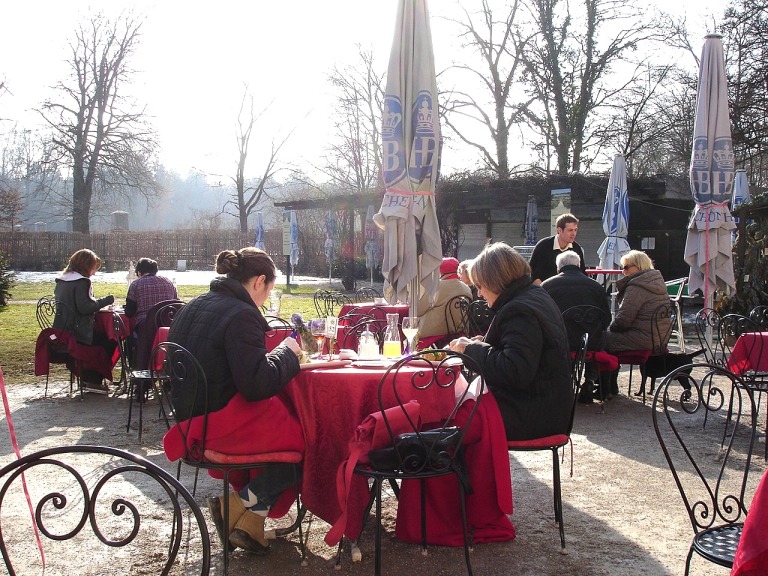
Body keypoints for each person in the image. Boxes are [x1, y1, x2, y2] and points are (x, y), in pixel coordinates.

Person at [162, 247, 305, 555]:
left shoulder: (195, 303)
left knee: (289, 430)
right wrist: (287, 353)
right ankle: (239, 505)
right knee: (310, 443)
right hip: (220, 423)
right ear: (260, 282)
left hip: (188, 416)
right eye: (269, 289)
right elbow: (256, 386)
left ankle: (251, 523)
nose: (267, 297)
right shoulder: (242, 315)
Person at [448, 243, 573, 441]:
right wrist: (484, 344)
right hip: (548, 406)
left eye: (480, 286)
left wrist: (470, 349)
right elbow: (526, 352)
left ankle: (473, 472)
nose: (479, 293)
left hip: (532, 414)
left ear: (495, 281)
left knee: (452, 418)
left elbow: (515, 370)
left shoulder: (518, 310)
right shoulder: (533, 294)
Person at [542, 251, 611, 403]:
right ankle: (590, 380)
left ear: (558, 268)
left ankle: (562, 384)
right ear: (579, 266)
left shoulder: (546, 286)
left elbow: (541, 319)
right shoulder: (596, 287)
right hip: (590, 345)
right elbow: (607, 319)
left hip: (560, 344)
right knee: (596, 337)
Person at [603, 250, 672, 397]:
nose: (623, 271)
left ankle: (607, 387)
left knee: (602, 340)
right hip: (659, 338)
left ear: (638, 267)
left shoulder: (637, 286)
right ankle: (609, 385)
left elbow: (623, 320)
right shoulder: (657, 282)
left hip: (643, 339)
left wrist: (610, 328)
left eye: (627, 267)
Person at [53, 249, 115, 394]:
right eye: (93, 268)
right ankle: (93, 380)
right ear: (87, 266)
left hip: (61, 331)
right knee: (110, 340)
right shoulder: (82, 282)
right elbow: (85, 308)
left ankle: (87, 378)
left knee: (102, 338)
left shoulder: (62, 280)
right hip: (77, 333)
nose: (93, 273)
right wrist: (106, 300)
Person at [417, 257, 473, 340]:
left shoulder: (436, 287)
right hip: (460, 330)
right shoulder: (466, 288)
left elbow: (419, 310)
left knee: (407, 324)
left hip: (435, 331)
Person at [528, 213, 587, 284]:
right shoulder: (543, 246)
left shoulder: (576, 248)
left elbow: (582, 273)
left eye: (575, 230)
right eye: (570, 230)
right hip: (545, 290)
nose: (574, 233)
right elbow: (533, 273)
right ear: (559, 230)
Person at [124, 257, 178, 331]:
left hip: (145, 328)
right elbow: (176, 303)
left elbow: (129, 312)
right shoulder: (169, 282)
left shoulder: (136, 284)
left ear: (139, 272)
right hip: (167, 326)